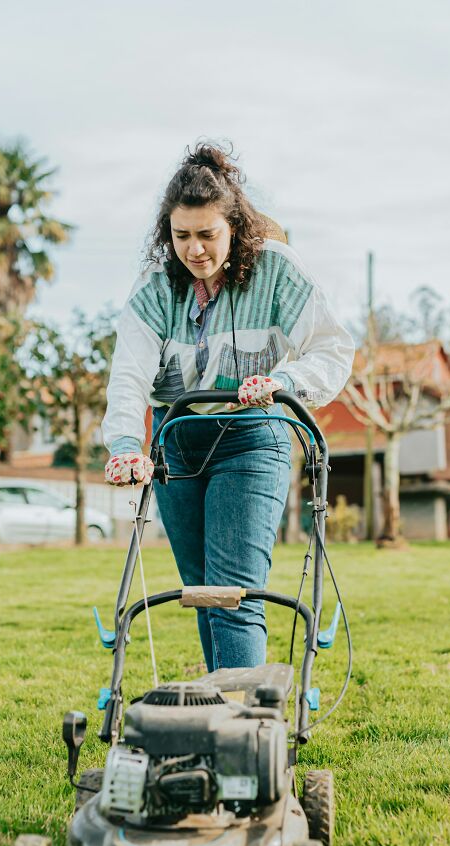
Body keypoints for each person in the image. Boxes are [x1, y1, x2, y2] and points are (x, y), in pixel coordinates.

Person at [102, 142, 354, 673]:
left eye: (207, 235)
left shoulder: (275, 271)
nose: (194, 250)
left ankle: (243, 732)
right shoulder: (153, 289)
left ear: (234, 227)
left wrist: (284, 380)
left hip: (250, 437)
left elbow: (332, 348)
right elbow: (128, 375)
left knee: (233, 592)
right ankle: (220, 713)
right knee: (200, 593)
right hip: (178, 443)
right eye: (181, 236)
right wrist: (126, 445)